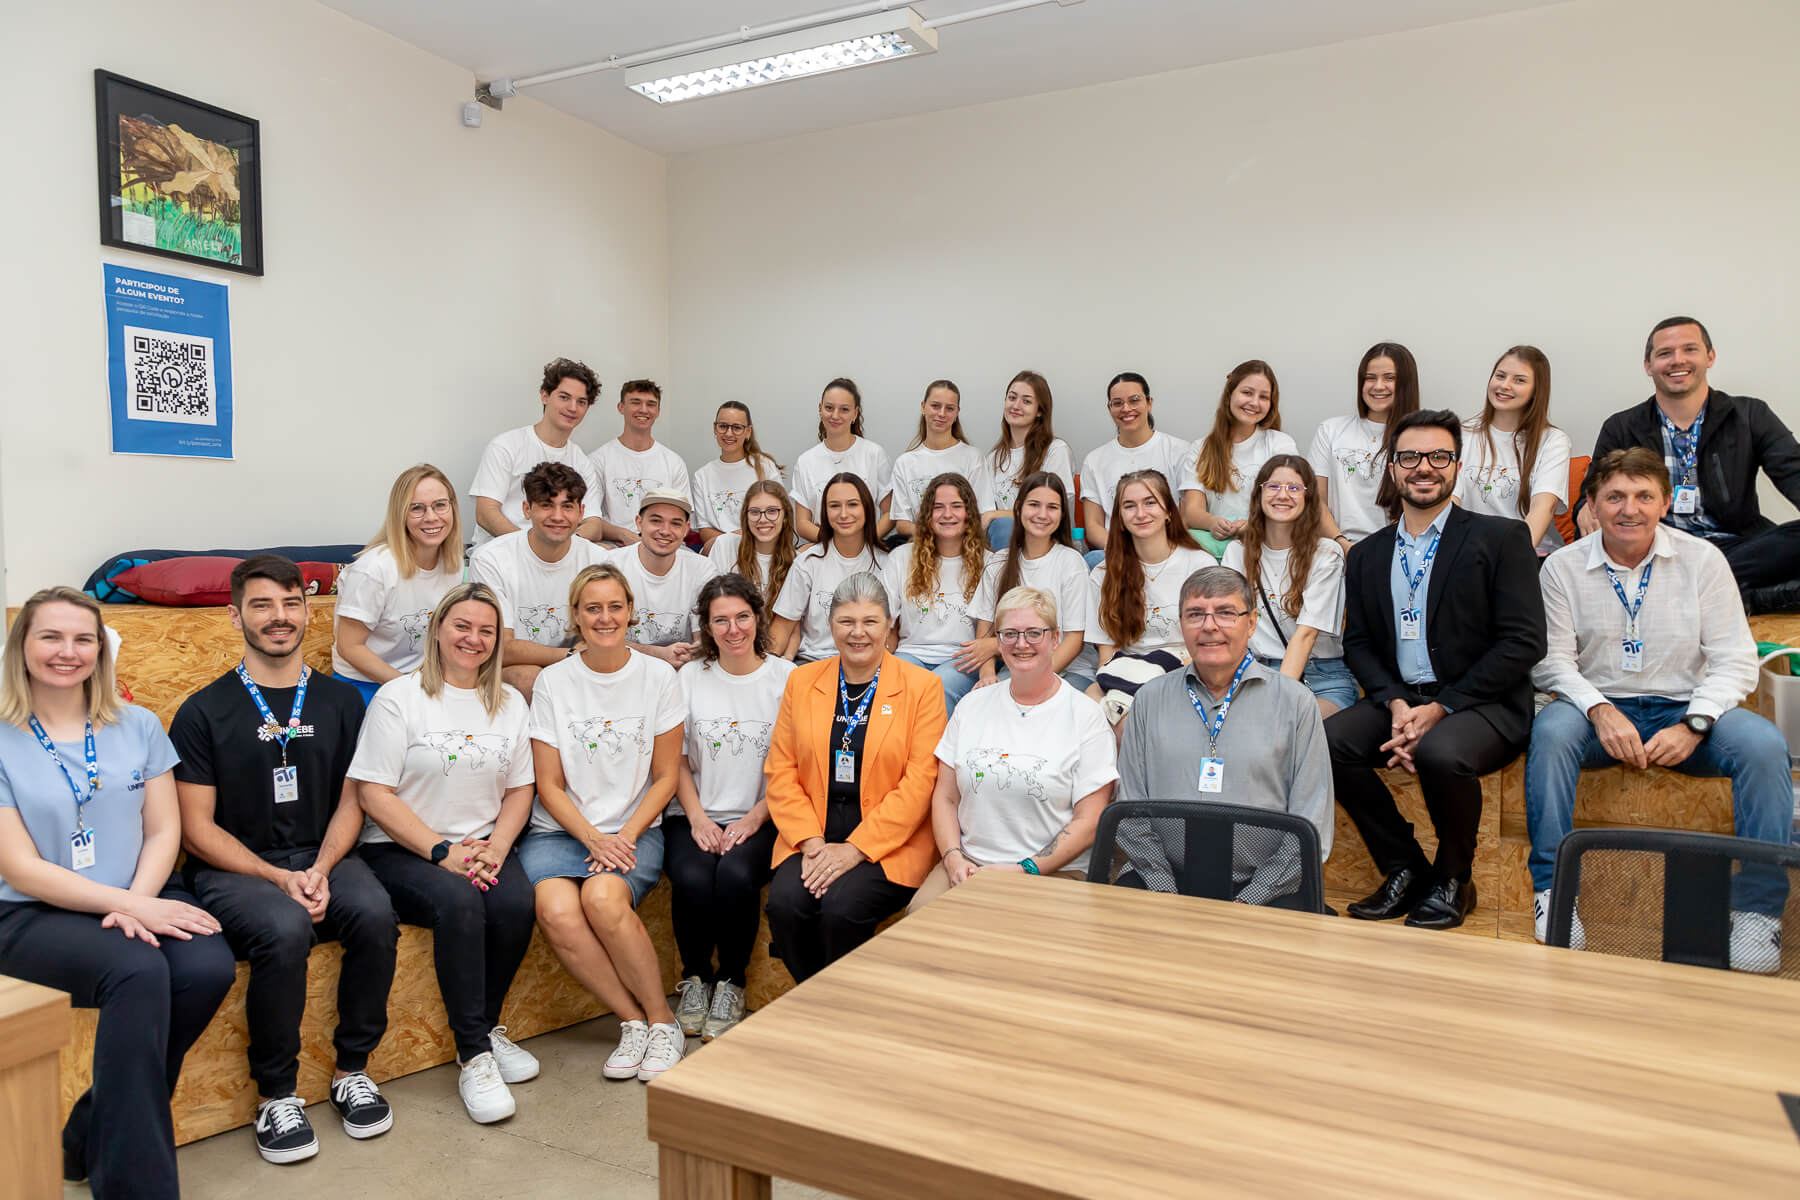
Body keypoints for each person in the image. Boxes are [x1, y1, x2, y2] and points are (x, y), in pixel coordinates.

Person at [0, 588, 234, 1200]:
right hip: (30, 912)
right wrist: (131, 909)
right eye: (50, 636)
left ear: (101, 650)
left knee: (206, 966)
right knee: (137, 970)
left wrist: (138, 897)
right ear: (21, 646)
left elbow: (164, 829)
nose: (68, 652)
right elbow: (20, 868)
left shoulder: (138, 725)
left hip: (140, 890)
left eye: (84, 639)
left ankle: (88, 1127)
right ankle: (136, 1187)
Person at [1528, 447, 1792, 967]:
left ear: (1665, 503)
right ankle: (1553, 891)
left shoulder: (1703, 560)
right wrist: (1600, 711)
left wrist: (1696, 723)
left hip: (1686, 707)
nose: (1630, 509)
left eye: (1644, 496)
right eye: (1615, 497)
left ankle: (1759, 915)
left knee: (1765, 745)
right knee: (1551, 734)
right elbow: (1551, 663)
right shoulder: (1561, 567)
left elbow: (1736, 661)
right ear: (1593, 506)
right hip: (1594, 712)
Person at [172, 557, 397, 1164]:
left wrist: (322, 867)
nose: (279, 617)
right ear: (235, 614)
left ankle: (353, 1069)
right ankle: (277, 1095)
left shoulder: (341, 701)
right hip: (236, 866)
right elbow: (194, 829)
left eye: (291, 604)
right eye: (263, 605)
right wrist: (276, 876)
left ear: (306, 610)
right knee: (282, 925)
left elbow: (357, 798)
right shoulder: (203, 711)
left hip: (323, 854)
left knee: (375, 913)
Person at [1328, 410, 1546, 930]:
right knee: (1327, 743)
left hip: (1482, 702)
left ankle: (1454, 877)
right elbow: (1357, 643)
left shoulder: (1500, 538)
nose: (1424, 467)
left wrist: (1442, 706)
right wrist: (1398, 702)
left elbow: (1524, 642)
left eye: (1438, 456)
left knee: (1440, 751)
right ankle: (1405, 868)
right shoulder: (1366, 555)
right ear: (1392, 467)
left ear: (1457, 466)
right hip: (1402, 697)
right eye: (1410, 457)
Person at [349, 582, 539, 1124]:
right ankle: (474, 1056)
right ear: (437, 630)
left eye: (485, 630)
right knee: (460, 904)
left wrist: (498, 847)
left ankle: (484, 1029)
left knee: (516, 904)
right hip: (401, 848)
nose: (473, 639)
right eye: (462, 626)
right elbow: (374, 793)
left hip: (481, 845)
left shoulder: (508, 702)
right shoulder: (399, 698)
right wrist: (439, 850)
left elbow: (521, 788)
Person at [518, 564, 688, 1082]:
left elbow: (666, 777)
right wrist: (594, 837)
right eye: (593, 608)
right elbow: (547, 783)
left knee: (601, 898)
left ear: (631, 611)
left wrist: (625, 836)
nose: (605, 617)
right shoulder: (553, 681)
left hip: (635, 828)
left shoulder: (659, 677)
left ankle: (664, 1022)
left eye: (615, 606)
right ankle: (632, 1020)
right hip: (562, 831)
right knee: (556, 909)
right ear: (575, 616)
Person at [1113, 567, 1334, 904]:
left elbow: (1311, 817)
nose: (1209, 625)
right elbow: (1130, 809)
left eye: (1226, 613)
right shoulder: (1149, 699)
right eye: (1195, 614)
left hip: (1267, 891)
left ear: (1252, 622)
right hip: (1159, 880)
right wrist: (1164, 891)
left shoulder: (1294, 702)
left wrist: (1251, 900)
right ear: (1182, 624)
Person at [763, 573, 944, 982]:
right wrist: (812, 843)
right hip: (812, 835)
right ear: (830, 626)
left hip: (887, 843)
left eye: (870, 621)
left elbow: (920, 782)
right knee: (785, 905)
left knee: (842, 909)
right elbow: (781, 769)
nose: (857, 633)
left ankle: (843, 1013)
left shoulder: (922, 687)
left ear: (889, 625)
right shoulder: (802, 681)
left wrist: (855, 850)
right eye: (846, 622)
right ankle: (816, 1002)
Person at [1574, 317, 1800, 613]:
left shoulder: (1748, 414)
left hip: (1737, 548)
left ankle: (1696, 591)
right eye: (1665, 353)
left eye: (1689, 349)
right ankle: (1747, 597)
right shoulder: (1623, 427)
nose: (1677, 360)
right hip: (1657, 550)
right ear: (1648, 365)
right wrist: (1582, 510)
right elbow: (1593, 493)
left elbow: (1793, 470)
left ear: (1710, 357)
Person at [911, 585, 1116, 909]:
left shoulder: (1086, 716)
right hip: (969, 865)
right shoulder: (971, 705)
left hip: (1053, 872)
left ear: (1055, 638)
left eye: (1034, 633)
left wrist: (1025, 869)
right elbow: (946, 797)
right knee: (918, 923)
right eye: (1009, 634)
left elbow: (1090, 821)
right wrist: (951, 858)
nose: (1021, 644)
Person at [667, 574, 796, 1040]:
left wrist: (756, 816)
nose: (733, 629)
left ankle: (732, 981)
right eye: (720, 620)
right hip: (696, 813)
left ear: (758, 618)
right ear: (706, 625)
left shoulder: (786, 678)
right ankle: (698, 978)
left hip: (763, 814)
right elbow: (674, 762)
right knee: (693, 876)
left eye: (742, 616)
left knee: (738, 875)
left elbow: (795, 765)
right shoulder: (689, 678)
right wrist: (698, 818)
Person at [1222, 456, 1355, 716]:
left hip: (1320, 678)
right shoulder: (1236, 553)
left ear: (1308, 499)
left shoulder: (1326, 554)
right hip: (1254, 672)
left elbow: (1305, 636)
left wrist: (1276, 704)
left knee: (1285, 732)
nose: (1283, 495)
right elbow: (1229, 626)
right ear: (1258, 494)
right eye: (1273, 486)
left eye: (1294, 488)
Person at [1085, 470, 1216, 725]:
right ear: (1120, 519)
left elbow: (1210, 640)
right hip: (1127, 671)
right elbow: (1106, 652)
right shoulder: (1103, 574)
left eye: (1150, 502)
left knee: (1137, 720)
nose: (1141, 514)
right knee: (1090, 709)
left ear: (1168, 511)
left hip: (1186, 669)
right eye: (1129, 506)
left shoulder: (1199, 565)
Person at [469, 461, 607, 702]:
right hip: (509, 667)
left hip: (574, 662)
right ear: (527, 509)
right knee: (532, 679)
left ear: (581, 513)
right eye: (546, 505)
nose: (557, 516)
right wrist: (569, 655)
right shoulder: (491, 559)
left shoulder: (599, 560)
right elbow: (499, 647)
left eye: (567, 506)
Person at [334, 464, 465, 703]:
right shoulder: (373, 570)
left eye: (440, 505)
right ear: (400, 514)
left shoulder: (454, 567)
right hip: (363, 685)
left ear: (452, 508)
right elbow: (349, 646)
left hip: (421, 681)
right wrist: (409, 690)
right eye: (417, 508)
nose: (431, 517)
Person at [969, 472, 1095, 691]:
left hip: (1070, 671)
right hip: (1013, 669)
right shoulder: (999, 562)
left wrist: (1034, 681)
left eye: (1052, 507)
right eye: (1034, 505)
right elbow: (984, 635)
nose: (1042, 514)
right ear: (1018, 509)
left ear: (1063, 515)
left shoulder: (1071, 562)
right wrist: (987, 676)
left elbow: (1074, 641)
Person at [883, 473, 989, 713]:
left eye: (956, 506)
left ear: (969, 513)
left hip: (962, 659)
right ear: (927, 516)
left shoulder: (989, 563)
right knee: (894, 684)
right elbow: (883, 619)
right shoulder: (901, 558)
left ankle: (935, 752)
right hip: (911, 654)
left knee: (937, 686)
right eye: (938, 507)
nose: (947, 514)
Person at [469, 356, 604, 546]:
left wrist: (566, 546)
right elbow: (485, 513)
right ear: (545, 396)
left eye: (581, 402)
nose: (572, 408)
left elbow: (594, 524)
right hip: (503, 551)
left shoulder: (581, 461)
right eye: (564, 397)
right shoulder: (506, 446)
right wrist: (534, 546)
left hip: (557, 553)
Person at [1455, 346, 1571, 555]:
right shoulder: (1462, 434)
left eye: (1519, 380)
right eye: (1500, 376)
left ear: (1536, 390)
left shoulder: (1553, 441)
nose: (1505, 385)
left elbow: (1542, 508)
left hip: (1529, 554)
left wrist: (1512, 561)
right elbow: (1450, 503)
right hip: (1470, 554)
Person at [1176, 360, 1299, 557]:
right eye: (1247, 393)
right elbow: (1191, 512)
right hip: (1217, 547)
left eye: (1264, 397)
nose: (1254, 402)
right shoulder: (1200, 449)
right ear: (1229, 394)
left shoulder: (1280, 444)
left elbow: (1292, 502)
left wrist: (1253, 525)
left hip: (1266, 542)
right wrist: (1213, 523)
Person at [1308, 342, 1421, 546]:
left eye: (1390, 378)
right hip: (1337, 550)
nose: (1378, 386)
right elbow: (1316, 502)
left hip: (1395, 549)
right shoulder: (1330, 430)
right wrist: (1343, 545)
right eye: (1370, 378)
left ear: (1406, 383)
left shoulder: (1419, 437)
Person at [770, 473, 888, 663]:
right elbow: (782, 627)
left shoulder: (887, 563)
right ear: (824, 512)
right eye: (834, 506)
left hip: (870, 665)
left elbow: (892, 631)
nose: (843, 514)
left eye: (852, 504)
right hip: (814, 662)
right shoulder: (808, 562)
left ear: (867, 508)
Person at [602, 489, 718, 668]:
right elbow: (601, 638)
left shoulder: (702, 569)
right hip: (622, 665)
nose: (665, 531)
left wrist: (683, 658)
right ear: (639, 523)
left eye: (675, 523)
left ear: (686, 529)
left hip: (683, 667)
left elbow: (702, 641)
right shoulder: (611, 566)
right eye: (656, 521)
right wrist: (660, 654)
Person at [1079, 372, 1188, 564]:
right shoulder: (1094, 460)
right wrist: (1125, 550)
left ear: (1149, 402)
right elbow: (1093, 525)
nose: (1126, 408)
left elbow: (1186, 516)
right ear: (1109, 408)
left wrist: (1157, 551)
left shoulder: (1180, 451)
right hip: (1116, 552)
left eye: (1134, 400)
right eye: (1118, 403)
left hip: (1168, 551)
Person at [788, 378, 894, 543]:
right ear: (820, 409)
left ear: (855, 413)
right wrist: (835, 547)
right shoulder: (805, 461)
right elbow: (802, 523)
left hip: (868, 549)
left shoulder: (874, 454)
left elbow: (889, 514)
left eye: (844, 409)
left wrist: (864, 543)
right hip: (824, 550)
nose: (835, 415)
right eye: (829, 408)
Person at [588, 379, 692, 546]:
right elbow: (589, 519)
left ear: (658, 411)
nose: (643, 410)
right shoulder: (598, 460)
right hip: (616, 547)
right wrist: (623, 534)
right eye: (635, 402)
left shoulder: (674, 462)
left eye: (651, 404)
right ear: (621, 407)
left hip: (665, 546)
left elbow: (684, 518)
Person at [979, 370, 1075, 550]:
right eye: (1012, 398)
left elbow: (1052, 510)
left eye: (1026, 401)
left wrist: (996, 514)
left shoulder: (1056, 450)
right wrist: (992, 516)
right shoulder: (994, 458)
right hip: (1001, 542)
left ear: (1039, 411)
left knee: (1004, 525)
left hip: (1048, 541)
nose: (1016, 406)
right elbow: (985, 515)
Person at [889, 381, 986, 542]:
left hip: (962, 547)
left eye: (949, 408)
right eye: (935, 406)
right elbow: (902, 523)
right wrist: (935, 534)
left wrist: (950, 538)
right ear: (923, 407)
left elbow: (982, 515)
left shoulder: (973, 457)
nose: (941, 414)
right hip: (920, 547)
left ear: (957, 413)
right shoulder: (905, 463)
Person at [691, 401, 782, 549]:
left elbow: (778, 519)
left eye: (737, 428)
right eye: (723, 426)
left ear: (748, 431)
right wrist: (733, 544)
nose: (728, 433)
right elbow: (704, 531)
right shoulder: (702, 476)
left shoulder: (766, 468)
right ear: (715, 429)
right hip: (719, 549)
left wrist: (746, 542)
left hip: (760, 547)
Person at [707, 477, 797, 605]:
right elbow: (710, 604)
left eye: (772, 511)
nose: (763, 519)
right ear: (746, 516)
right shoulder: (725, 545)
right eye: (755, 512)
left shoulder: (797, 562)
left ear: (785, 516)